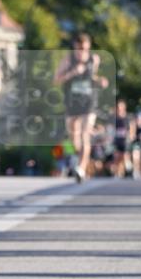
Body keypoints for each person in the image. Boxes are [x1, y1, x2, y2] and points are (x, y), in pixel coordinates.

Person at [54, 32, 109, 183]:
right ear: (75, 47)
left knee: (85, 134)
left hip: (89, 102)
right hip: (72, 103)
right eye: (79, 49)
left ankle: (81, 168)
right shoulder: (68, 60)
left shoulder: (94, 59)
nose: (82, 52)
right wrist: (72, 73)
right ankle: (82, 158)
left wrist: (100, 81)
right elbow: (56, 80)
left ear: (89, 47)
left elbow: (92, 77)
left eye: (85, 49)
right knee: (74, 137)